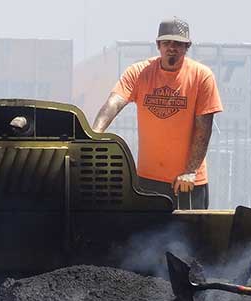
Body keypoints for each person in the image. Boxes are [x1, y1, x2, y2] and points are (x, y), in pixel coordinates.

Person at [90, 17, 222, 209]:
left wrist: (190, 171)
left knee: (188, 238)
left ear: (187, 47)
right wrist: (94, 135)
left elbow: (204, 128)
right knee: (147, 238)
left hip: (187, 183)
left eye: (178, 43)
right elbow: (114, 103)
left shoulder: (201, 76)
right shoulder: (139, 72)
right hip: (148, 179)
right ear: (158, 45)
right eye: (167, 42)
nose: (172, 48)